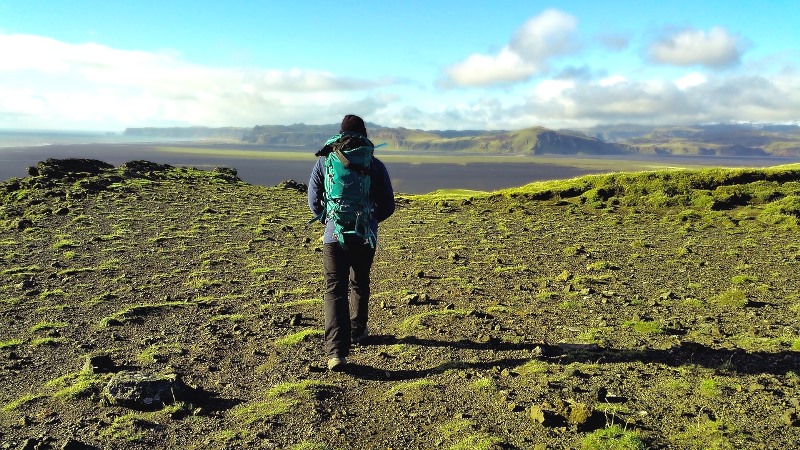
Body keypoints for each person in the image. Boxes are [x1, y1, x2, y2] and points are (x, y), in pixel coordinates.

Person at [308, 114, 395, 371]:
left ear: (340, 133)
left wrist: (330, 220)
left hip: (333, 236)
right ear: (365, 134)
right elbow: (388, 205)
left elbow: (314, 201)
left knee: (334, 289)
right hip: (365, 236)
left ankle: (336, 352)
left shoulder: (325, 161)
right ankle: (358, 330)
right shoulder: (375, 164)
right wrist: (369, 221)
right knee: (360, 281)